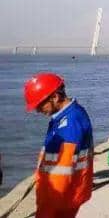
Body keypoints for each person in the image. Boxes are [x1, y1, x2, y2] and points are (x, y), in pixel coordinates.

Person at [24, 72, 93, 218]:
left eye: (40, 105)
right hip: (64, 197)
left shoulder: (70, 124)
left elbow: (62, 173)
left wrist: (47, 205)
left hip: (58, 201)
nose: (37, 110)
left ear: (55, 97)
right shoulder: (67, 116)